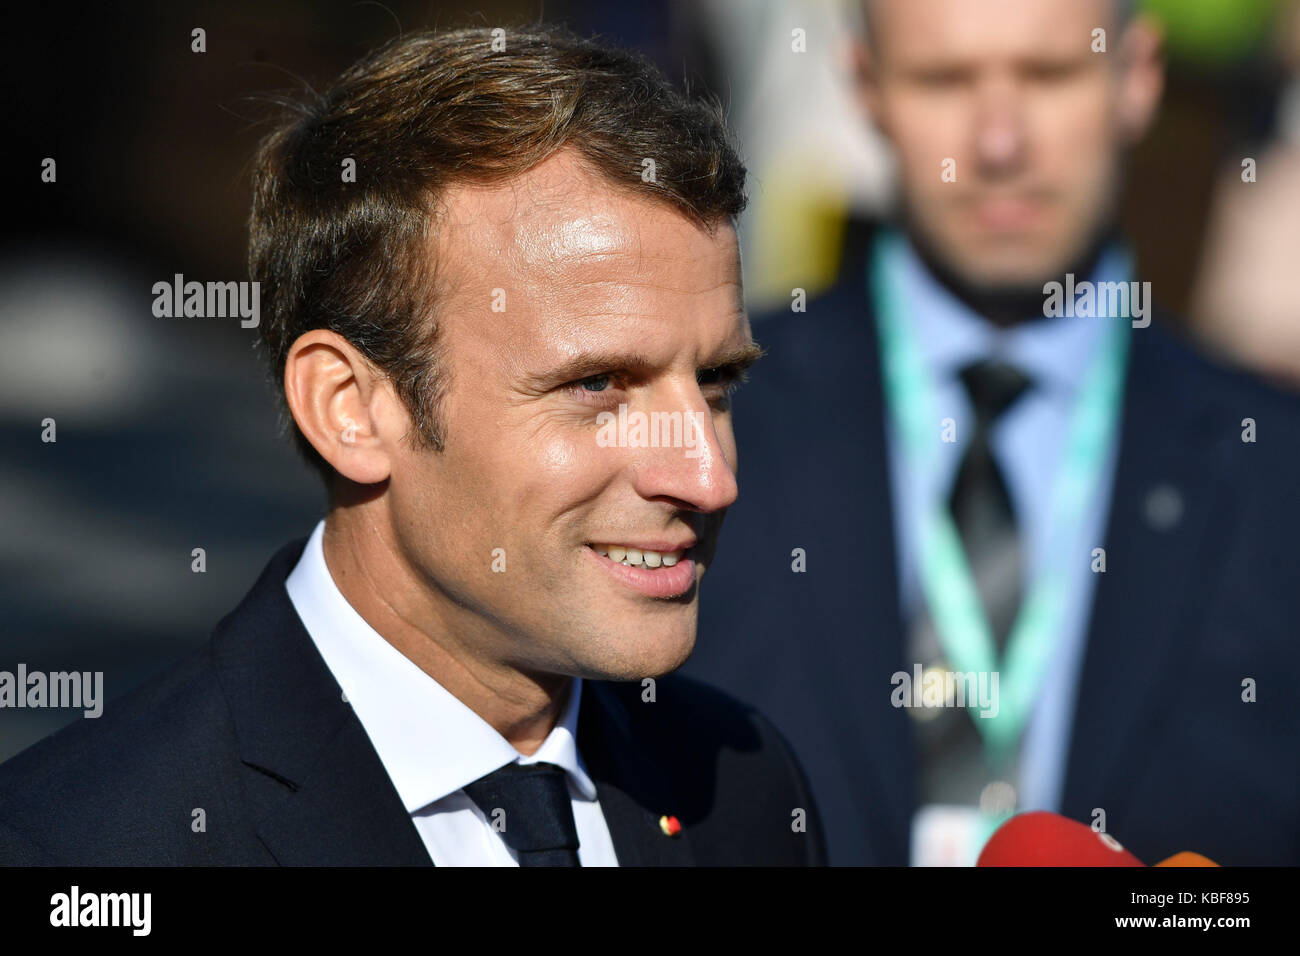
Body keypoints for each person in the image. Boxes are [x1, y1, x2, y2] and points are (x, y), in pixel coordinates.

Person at [0, 25, 824, 867]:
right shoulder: (86, 849)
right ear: (349, 408)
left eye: (716, 380)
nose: (707, 475)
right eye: (597, 387)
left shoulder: (741, 787)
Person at [684, 0, 1300, 866]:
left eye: (1049, 75)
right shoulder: (700, 426)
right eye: (945, 79)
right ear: (866, 86)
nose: (999, 143)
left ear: (1139, 76)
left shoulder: (1276, 472)